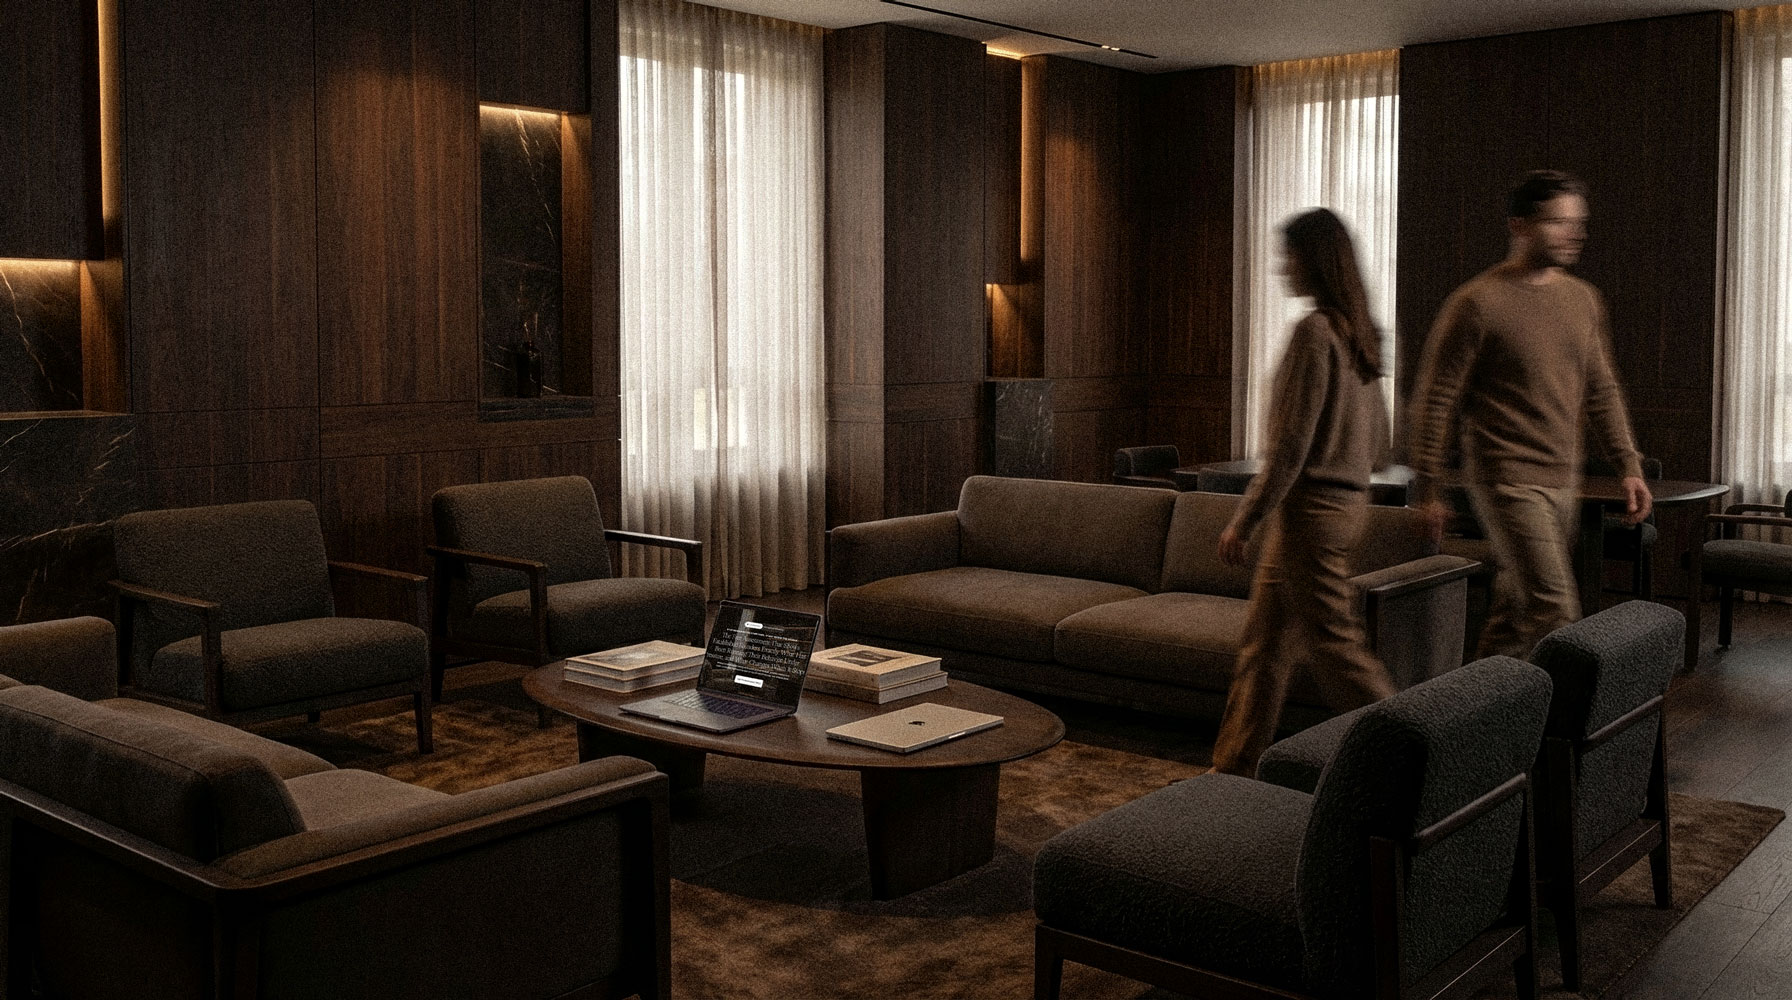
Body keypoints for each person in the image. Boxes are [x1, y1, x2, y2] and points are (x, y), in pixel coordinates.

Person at [1406, 169, 1652, 659]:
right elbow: (1436, 400)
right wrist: (1427, 488)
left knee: (1515, 610)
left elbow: (1601, 390)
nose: (1574, 233)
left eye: (1578, 223)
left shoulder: (1583, 299)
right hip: (1506, 479)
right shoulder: (1476, 303)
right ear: (1520, 225)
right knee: (1556, 608)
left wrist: (1628, 464)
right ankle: (1553, 732)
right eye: (1558, 222)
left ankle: (1470, 717)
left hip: (1563, 479)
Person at [1208, 208, 1396, 777]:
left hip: (1311, 516)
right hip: (1342, 508)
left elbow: (1289, 448)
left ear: (1312, 261)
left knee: (1339, 650)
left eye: (1287, 254)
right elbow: (1383, 445)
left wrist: (1244, 519)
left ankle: (1417, 750)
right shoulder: (1358, 333)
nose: (1279, 266)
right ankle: (1232, 770)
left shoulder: (1314, 332)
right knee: (1263, 648)